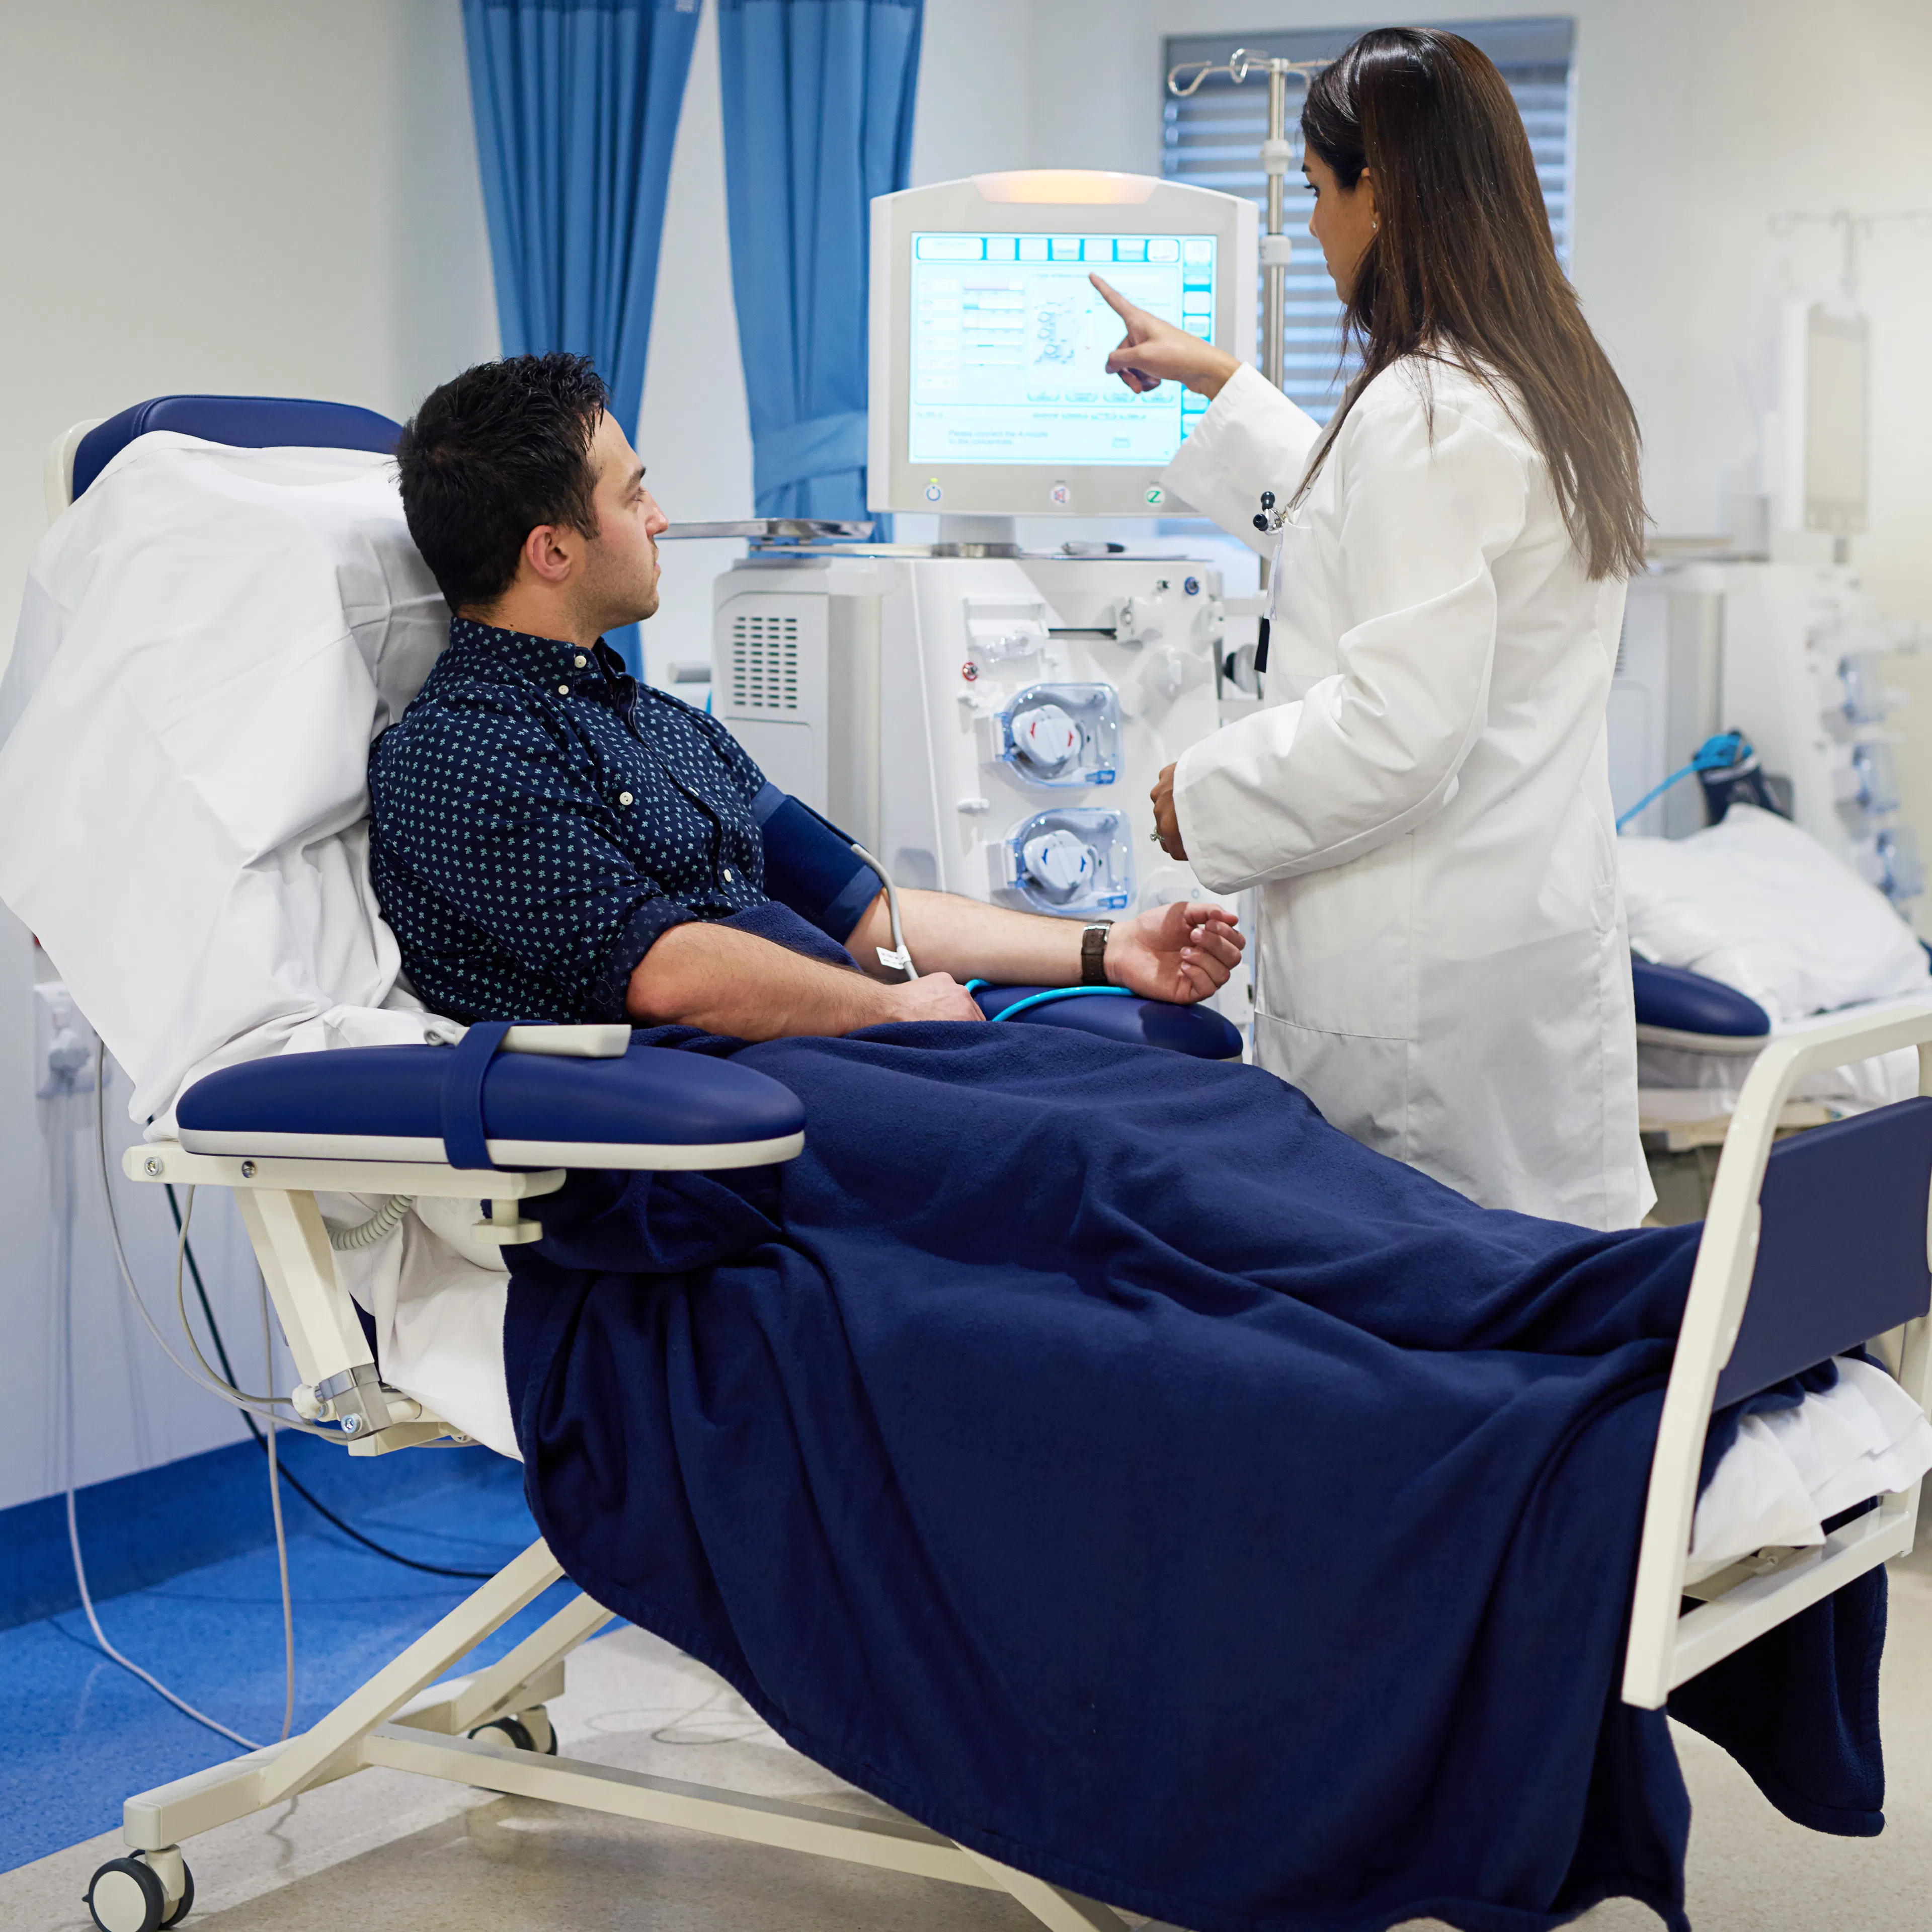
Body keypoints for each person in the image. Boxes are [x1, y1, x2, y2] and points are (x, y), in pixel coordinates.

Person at [1091, 27, 1650, 1229]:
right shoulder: (1545, 386)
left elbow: (1402, 730)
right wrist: (1223, 383)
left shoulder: (1428, 410)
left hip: (1418, 992)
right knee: (1540, 1296)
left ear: (1379, 191)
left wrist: (1208, 792)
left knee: (1428, 1320)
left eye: (1315, 190)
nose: (1315, 224)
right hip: (1521, 943)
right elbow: (1379, 530)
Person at [367, 353, 1242, 1036]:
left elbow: (867, 911)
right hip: (725, 1118)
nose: (661, 518)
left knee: (1215, 1111)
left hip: (843, 1060)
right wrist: (889, 1011)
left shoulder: (665, 726)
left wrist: (1109, 946)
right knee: (1139, 1166)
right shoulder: (457, 757)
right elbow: (664, 972)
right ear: (552, 552)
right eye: (635, 497)